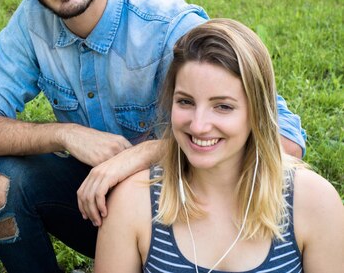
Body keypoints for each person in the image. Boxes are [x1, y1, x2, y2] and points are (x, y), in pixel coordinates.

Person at [0, 0, 306, 272]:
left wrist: (136, 158)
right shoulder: (33, 22)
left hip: (189, 214)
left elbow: (286, 141)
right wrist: (65, 135)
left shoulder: (168, 25)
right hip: (96, 203)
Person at [95, 19, 344, 272]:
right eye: (185, 102)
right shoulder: (132, 203)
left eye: (223, 106)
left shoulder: (313, 202)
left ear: (257, 112)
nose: (199, 125)